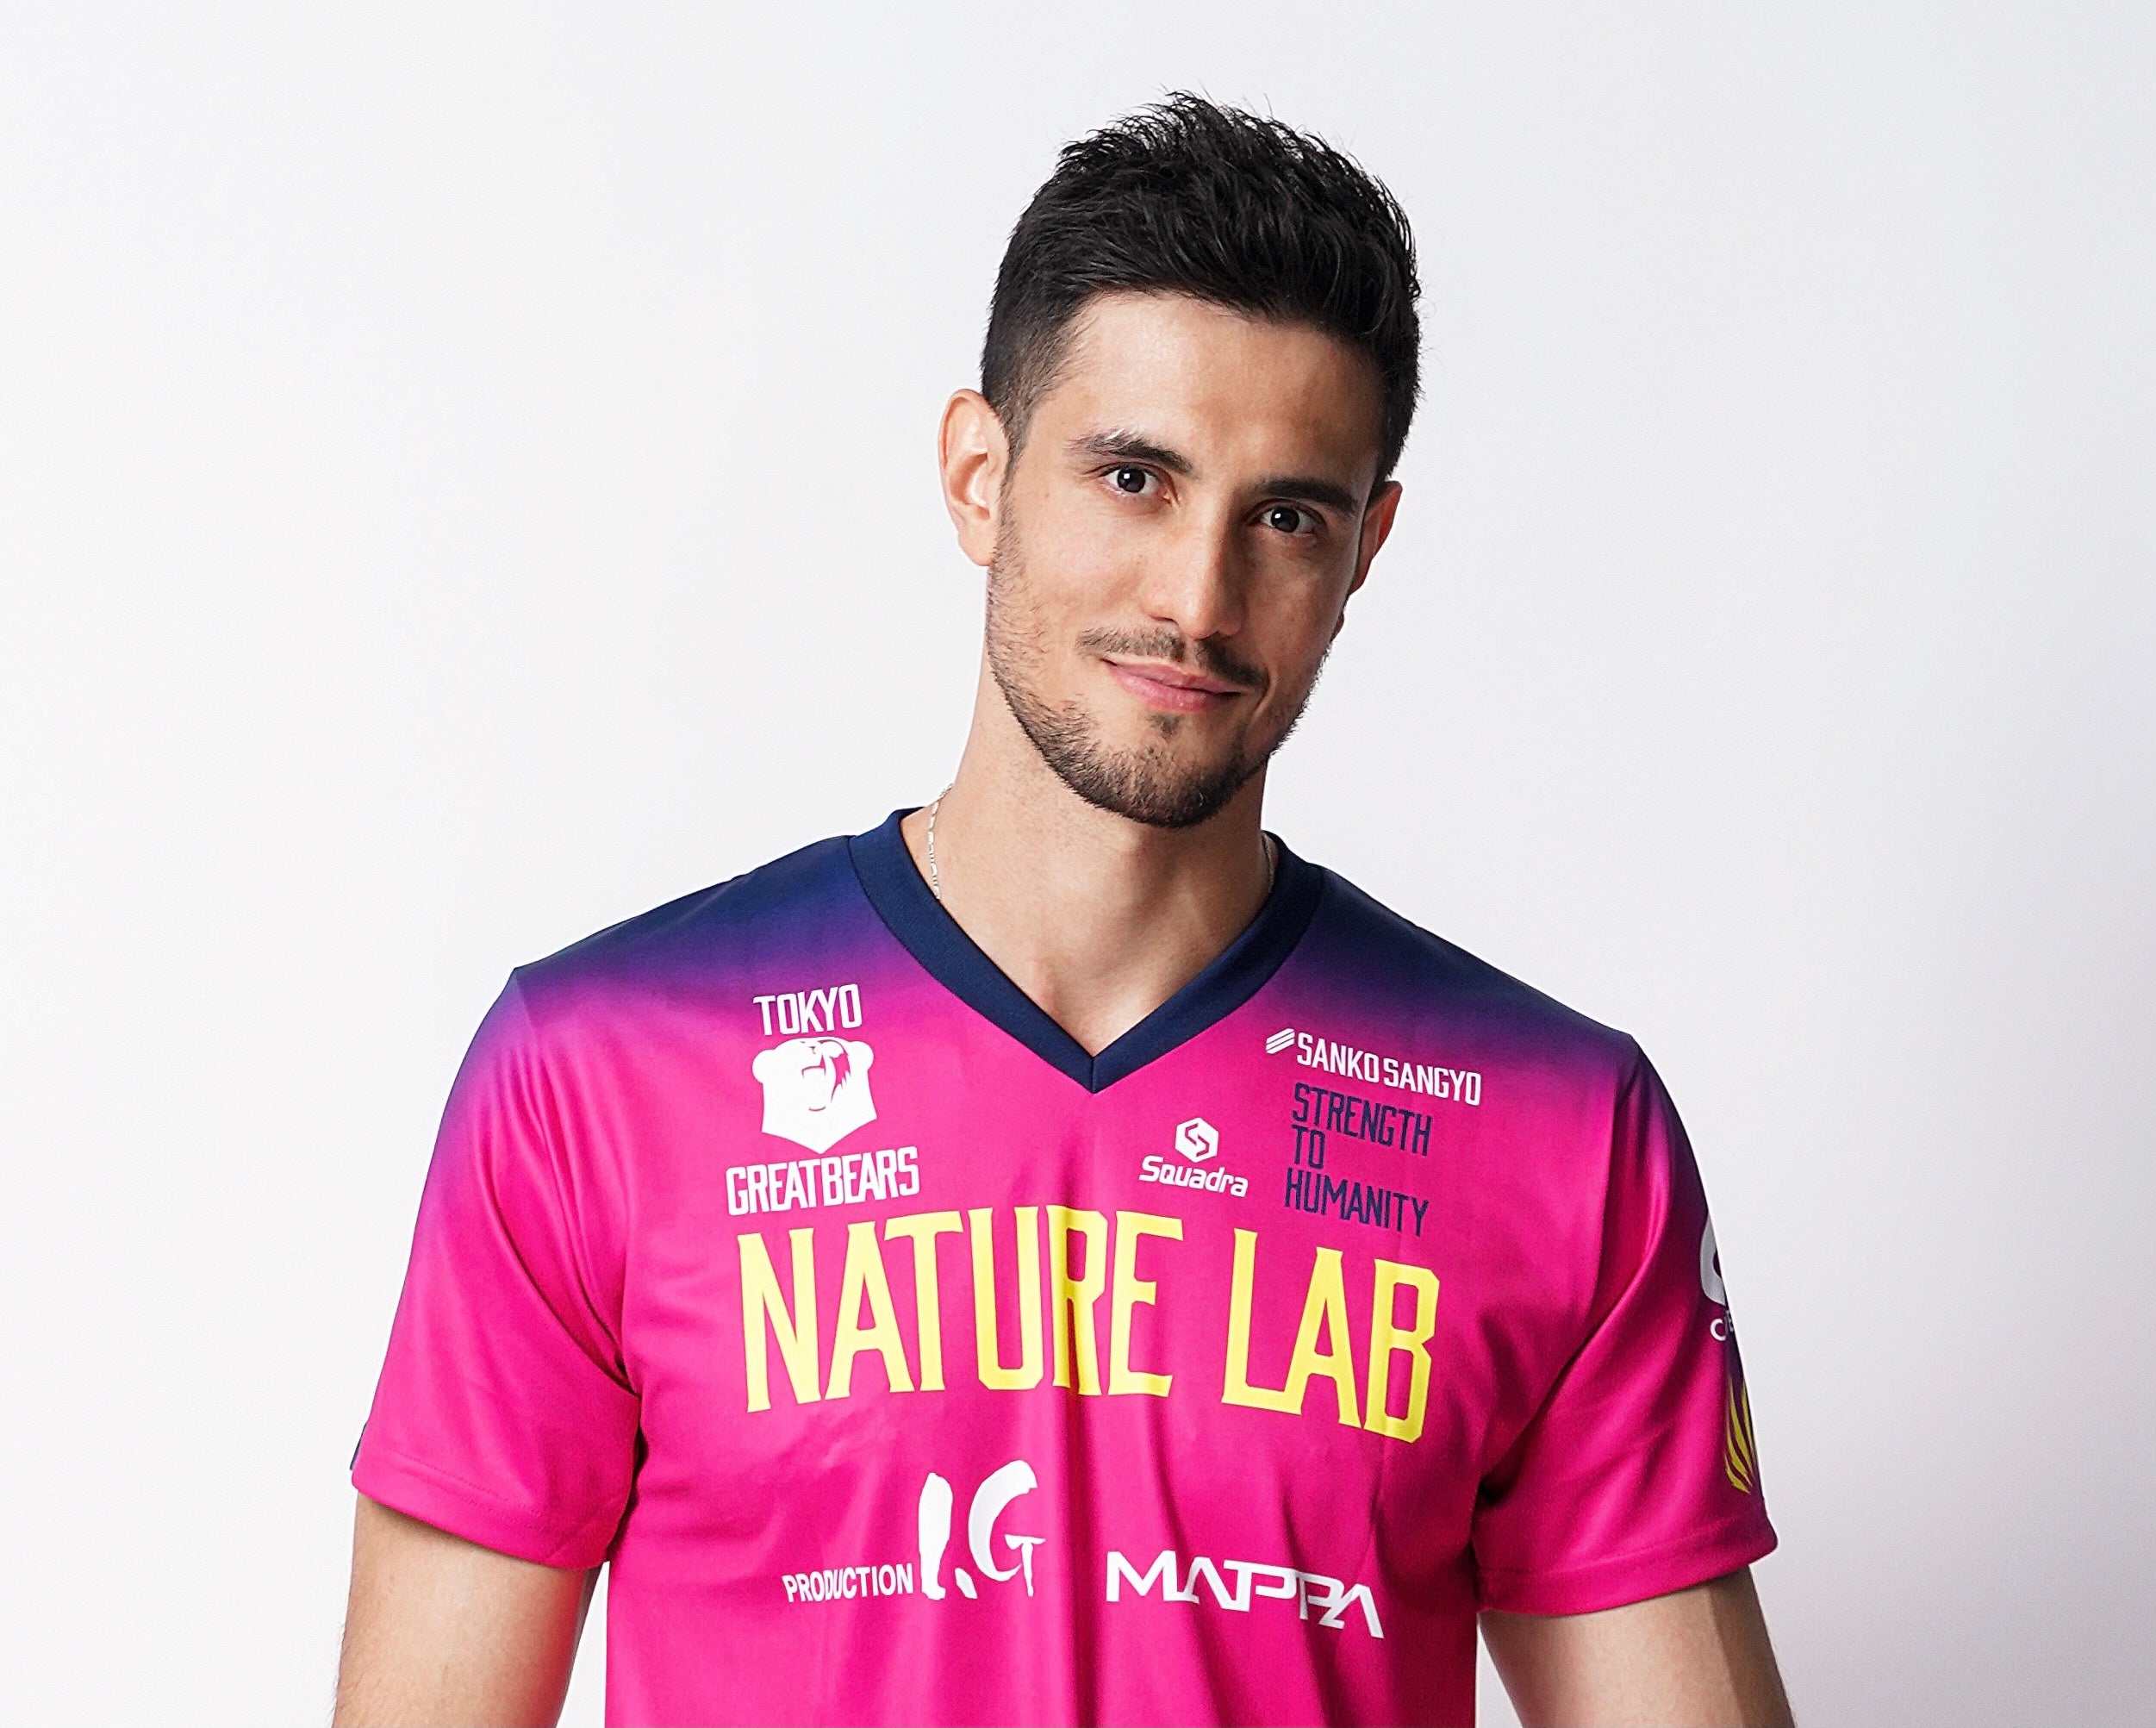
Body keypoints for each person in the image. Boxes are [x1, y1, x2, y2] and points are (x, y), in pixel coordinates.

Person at [334, 95, 1792, 1728]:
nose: (1196, 599)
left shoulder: (1553, 1129)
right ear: (980, 474)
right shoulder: (601, 1072)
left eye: (1285, 515)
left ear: (1366, 548)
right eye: (1133, 476)